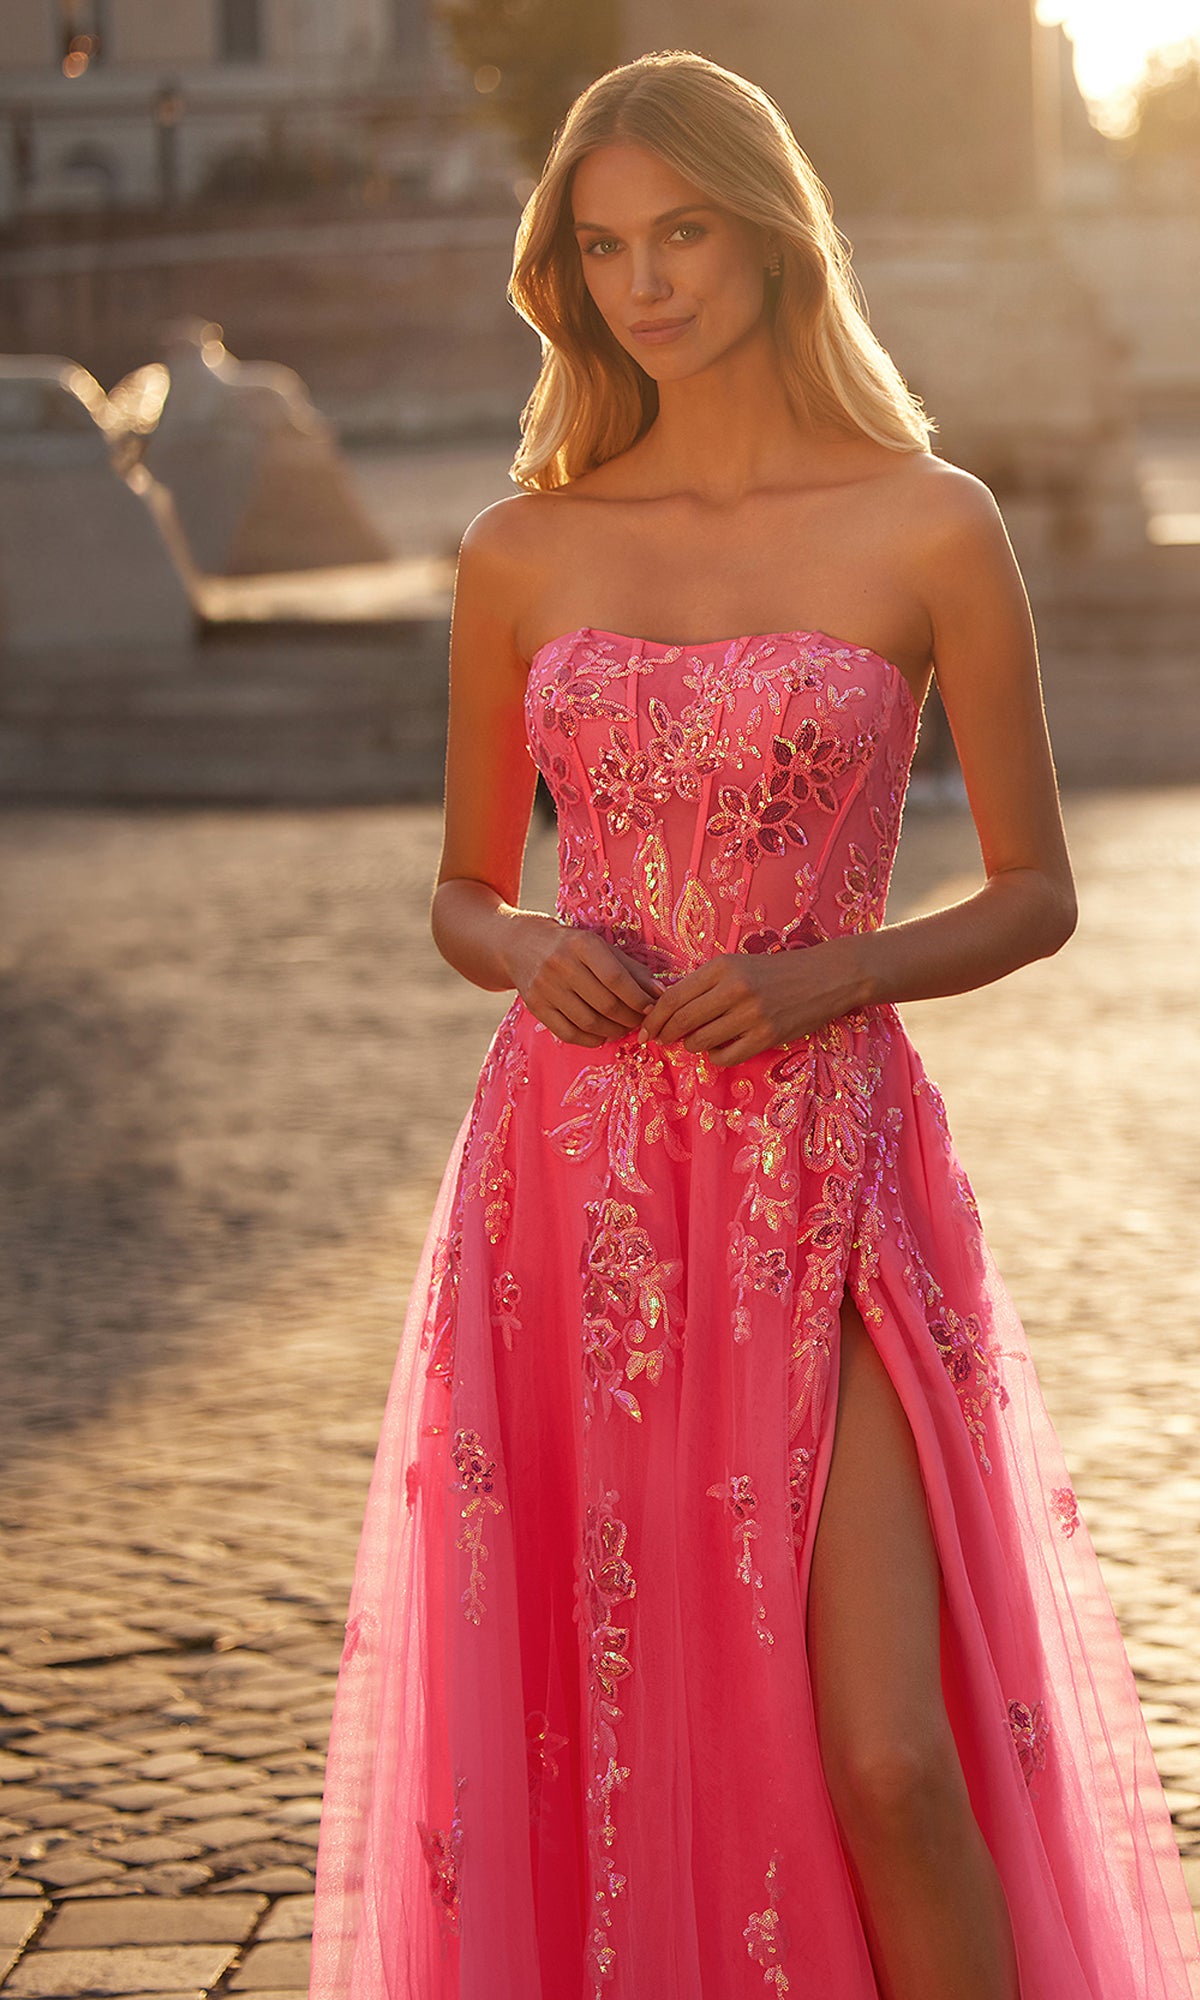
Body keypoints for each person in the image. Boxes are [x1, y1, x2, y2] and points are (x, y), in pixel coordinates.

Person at [309, 49, 1200, 2000]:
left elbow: (1038, 892)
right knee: (608, 1727)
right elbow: (463, 889)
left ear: (768, 229)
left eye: (682, 230)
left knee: (886, 1755)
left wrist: (833, 973)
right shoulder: (523, 549)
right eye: (606, 246)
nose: (647, 280)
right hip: (576, 1193)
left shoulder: (931, 523)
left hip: (825, 1166)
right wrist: (524, 939)